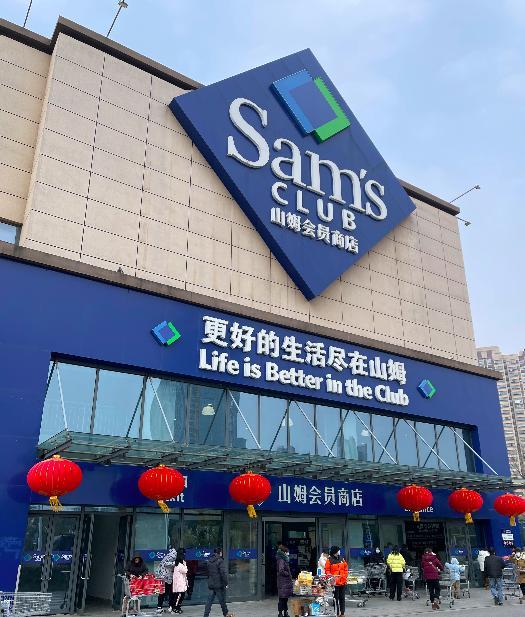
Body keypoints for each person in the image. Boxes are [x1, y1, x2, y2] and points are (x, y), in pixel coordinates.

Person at [203, 548, 233, 617]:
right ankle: (226, 614)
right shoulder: (220, 560)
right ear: (220, 553)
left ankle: (205, 615)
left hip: (211, 584)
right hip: (219, 585)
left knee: (209, 602)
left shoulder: (209, 561)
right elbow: (223, 573)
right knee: (222, 601)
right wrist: (226, 583)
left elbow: (207, 573)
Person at [324, 545, 348, 617]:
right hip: (335, 583)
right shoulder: (329, 560)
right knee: (336, 598)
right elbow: (327, 570)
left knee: (342, 598)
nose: (339, 551)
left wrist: (345, 575)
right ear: (335, 552)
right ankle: (336, 613)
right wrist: (331, 577)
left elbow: (345, 568)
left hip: (342, 581)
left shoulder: (341, 558)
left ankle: (342, 613)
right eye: (338, 550)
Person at [157, 547, 178, 613]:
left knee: (165, 592)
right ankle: (165, 606)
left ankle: (162, 606)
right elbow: (165, 563)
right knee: (166, 592)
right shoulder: (172, 556)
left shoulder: (169, 556)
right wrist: (175, 563)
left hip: (166, 577)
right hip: (166, 577)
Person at [276, 544, 293, 617]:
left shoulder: (283, 560)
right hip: (283, 582)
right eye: (287, 552)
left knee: (285, 598)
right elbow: (281, 570)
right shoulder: (281, 560)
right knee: (282, 599)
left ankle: (285, 612)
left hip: (285, 582)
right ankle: (280, 613)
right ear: (284, 552)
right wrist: (287, 574)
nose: (288, 554)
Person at [171, 549, 188, 615]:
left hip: (179, 583)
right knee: (179, 596)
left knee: (179, 596)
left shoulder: (177, 564)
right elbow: (185, 570)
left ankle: (177, 607)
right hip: (180, 584)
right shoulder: (180, 565)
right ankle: (175, 608)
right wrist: (185, 564)